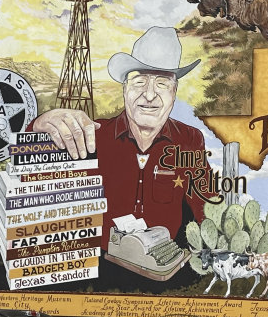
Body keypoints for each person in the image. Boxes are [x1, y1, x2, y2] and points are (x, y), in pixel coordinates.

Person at [31, 26, 208, 251]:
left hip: (164, 266)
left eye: (162, 83)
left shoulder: (190, 139)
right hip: (100, 266)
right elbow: (33, 168)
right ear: (125, 89)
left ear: (173, 93)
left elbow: (205, 201)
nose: (150, 95)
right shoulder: (92, 135)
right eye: (139, 82)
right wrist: (38, 125)